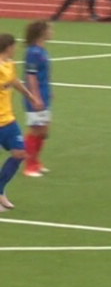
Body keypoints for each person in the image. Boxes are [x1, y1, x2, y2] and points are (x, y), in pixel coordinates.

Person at [0, 32, 44, 211]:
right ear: (8, 47)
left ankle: (0, 191)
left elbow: (15, 81)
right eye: (14, 46)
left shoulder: (9, 65)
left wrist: (30, 96)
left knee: (20, 153)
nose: (16, 49)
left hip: (8, 120)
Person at [22, 21, 53, 177]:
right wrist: (35, 97)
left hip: (44, 94)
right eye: (50, 29)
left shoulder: (42, 50)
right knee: (36, 130)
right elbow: (31, 76)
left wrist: (49, 92)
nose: (52, 32)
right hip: (36, 96)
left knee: (44, 130)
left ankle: (36, 161)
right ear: (42, 32)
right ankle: (29, 165)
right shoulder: (33, 52)